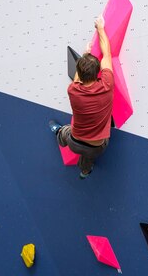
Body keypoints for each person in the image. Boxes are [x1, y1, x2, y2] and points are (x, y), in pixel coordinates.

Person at [49, 15, 114, 179]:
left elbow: (77, 78)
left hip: (75, 142)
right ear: (97, 72)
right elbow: (107, 54)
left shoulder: (73, 90)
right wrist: (100, 28)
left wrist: (85, 54)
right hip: (98, 147)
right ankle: (85, 172)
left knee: (65, 133)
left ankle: (58, 135)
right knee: (88, 158)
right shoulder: (107, 84)